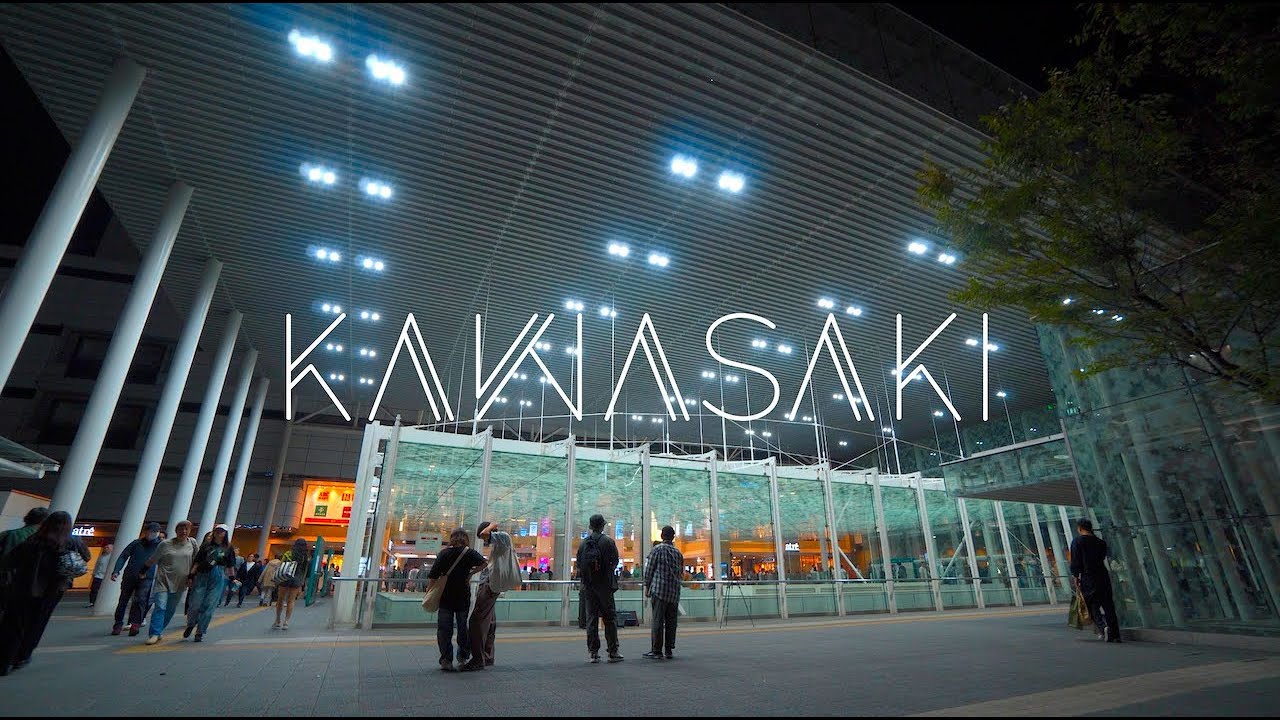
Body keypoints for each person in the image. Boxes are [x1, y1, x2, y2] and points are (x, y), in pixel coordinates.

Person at [0, 510, 89, 675]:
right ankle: (22, 657)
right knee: (37, 624)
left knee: (13, 624)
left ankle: (4, 661)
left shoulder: (34, 540)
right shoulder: (71, 541)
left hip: (23, 587)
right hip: (52, 590)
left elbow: (9, 561)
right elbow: (86, 556)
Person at [460, 520, 521, 672]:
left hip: (490, 586)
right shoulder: (499, 543)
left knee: (476, 621)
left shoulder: (502, 537)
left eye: (485, 540)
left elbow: (484, 533)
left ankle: (478, 659)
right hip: (491, 584)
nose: (485, 541)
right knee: (489, 621)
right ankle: (487, 656)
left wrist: (492, 525)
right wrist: (472, 573)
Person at [427, 528, 487, 671]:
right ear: (465, 538)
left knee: (444, 630)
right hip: (463, 596)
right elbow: (484, 563)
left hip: (445, 597)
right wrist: (471, 574)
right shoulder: (469, 553)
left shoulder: (444, 553)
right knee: (462, 629)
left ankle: (446, 660)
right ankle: (463, 657)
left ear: (452, 538)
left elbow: (433, 575)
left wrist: (428, 592)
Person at [141, 520, 198, 645]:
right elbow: (153, 559)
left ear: (189, 531)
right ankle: (154, 633)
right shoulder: (165, 544)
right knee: (160, 606)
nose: (183, 531)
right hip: (163, 580)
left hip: (180, 582)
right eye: (181, 529)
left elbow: (196, 561)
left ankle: (160, 629)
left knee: (170, 609)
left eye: (186, 529)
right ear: (176, 530)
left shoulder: (192, 543)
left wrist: (192, 577)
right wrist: (143, 570)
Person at [576, 513, 623, 663]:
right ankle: (613, 651)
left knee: (591, 619)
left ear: (590, 526)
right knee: (609, 618)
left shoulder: (583, 544)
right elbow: (615, 561)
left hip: (589, 586)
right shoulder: (608, 542)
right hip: (605, 586)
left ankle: (593, 652)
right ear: (602, 526)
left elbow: (579, 564)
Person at [1070, 518, 1121, 643]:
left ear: (1080, 528)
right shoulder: (1100, 542)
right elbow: (1103, 557)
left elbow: (1076, 560)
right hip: (1102, 575)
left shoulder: (1078, 541)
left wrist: (1075, 576)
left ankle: (1103, 627)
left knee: (1090, 604)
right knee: (1108, 605)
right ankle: (1115, 634)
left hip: (1088, 577)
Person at [183, 524, 237, 643]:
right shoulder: (206, 546)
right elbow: (197, 561)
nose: (219, 533)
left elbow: (230, 564)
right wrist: (191, 575)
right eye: (217, 530)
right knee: (195, 603)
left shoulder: (228, 548)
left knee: (209, 605)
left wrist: (232, 578)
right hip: (202, 574)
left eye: (221, 531)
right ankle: (191, 623)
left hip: (218, 575)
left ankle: (200, 632)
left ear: (225, 533)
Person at [110, 521, 163, 636]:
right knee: (123, 600)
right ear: (146, 532)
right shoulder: (136, 543)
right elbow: (123, 556)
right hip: (130, 575)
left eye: (156, 532)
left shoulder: (160, 545)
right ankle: (118, 624)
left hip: (147, 577)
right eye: (151, 531)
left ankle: (135, 624)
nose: (153, 534)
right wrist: (116, 571)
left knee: (140, 600)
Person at [643, 525, 684, 660]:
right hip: (674, 592)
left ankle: (656, 650)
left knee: (658, 620)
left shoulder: (657, 549)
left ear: (661, 536)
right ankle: (669, 650)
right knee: (671, 622)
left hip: (659, 591)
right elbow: (680, 573)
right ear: (673, 537)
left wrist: (647, 587)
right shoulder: (678, 553)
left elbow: (649, 571)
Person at [273, 538, 310, 629]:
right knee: (291, 600)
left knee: (280, 599)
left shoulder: (288, 553)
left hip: (285, 577)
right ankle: (286, 622)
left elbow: (282, 565)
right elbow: (304, 571)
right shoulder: (305, 557)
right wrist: (302, 583)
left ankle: (277, 620)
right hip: (297, 579)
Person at [87, 542, 113, 607]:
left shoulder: (112, 557)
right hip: (98, 576)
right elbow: (97, 565)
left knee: (102, 591)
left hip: (105, 576)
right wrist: (94, 573)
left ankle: (100, 602)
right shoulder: (102, 556)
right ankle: (92, 602)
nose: (106, 549)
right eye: (105, 547)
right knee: (94, 589)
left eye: (108, 548)